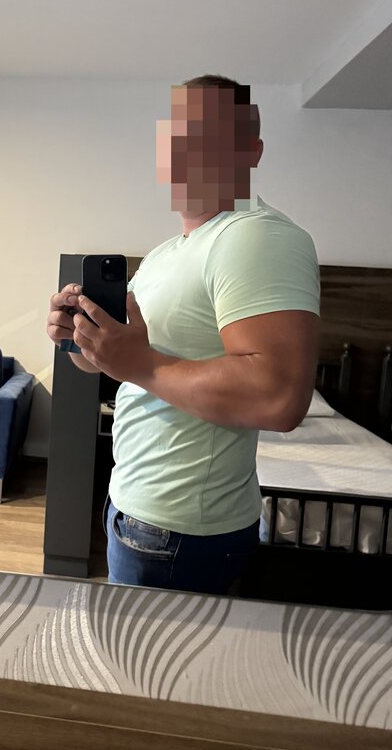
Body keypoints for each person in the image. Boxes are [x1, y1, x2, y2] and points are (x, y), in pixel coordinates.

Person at [46, 75, 320, 595]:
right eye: (176, 135)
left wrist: (140, 365)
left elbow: (279, 397)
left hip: (183, 533)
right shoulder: (167, 253)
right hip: (138, 510)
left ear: (251, 151)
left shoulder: (256, 236)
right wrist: (76, 337)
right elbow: (116, 360)